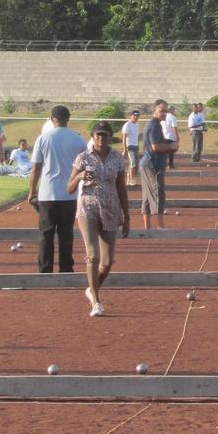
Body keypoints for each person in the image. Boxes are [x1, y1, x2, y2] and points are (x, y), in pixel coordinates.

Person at [66, 120, 130, 317]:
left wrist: (126, 215)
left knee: (107, 261)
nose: (101, 138)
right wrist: (79, 177)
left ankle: (92, 288)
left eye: (105, 135)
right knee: (92, 255)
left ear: (111, 137)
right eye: (98, 135)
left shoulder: (117, 158)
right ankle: (96, 300)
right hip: (88, 208)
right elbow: (69, 188)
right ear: (92, 137)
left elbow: (121, 187)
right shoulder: (83, 158)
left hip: (111, 208)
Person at [29, 105, 87, 274]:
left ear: (52, 119)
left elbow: (35, 168)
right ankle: (66, 269)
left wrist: (32, 190)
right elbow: (86, 165)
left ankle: (45, 270)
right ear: (68, 119)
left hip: (47, 193)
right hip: (69, 194)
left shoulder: (43, 138)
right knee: (66, 234)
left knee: (46, 235)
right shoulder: (77, 139)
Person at [139, 99, 178, 230]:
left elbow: (158, 142)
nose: (164, 113)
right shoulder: (154, 125)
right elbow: (155, 146)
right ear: (154, 111)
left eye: (166, 111)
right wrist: (171, 146)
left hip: (147, 163)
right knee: (158, 193)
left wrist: (168, 143)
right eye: (161, 110)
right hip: (153, 164)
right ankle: (160, 226)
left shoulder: (156, 125)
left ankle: (147, 227)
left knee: (147, 195)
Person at [121, 109, 141, 185]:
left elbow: (137, 136)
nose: (136, 117)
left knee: (136, 164)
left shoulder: (137, 125)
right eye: (134, 115)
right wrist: (125, 149)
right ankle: (131, 179)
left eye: (137, 116)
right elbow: (124, 137)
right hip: (130, 147)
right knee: (133, 163)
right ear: (131, 116)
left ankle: (129, 178)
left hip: (136, 146)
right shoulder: (127, 125)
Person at [162, 105, 179, 170]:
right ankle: (170, 165)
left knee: (164, 152)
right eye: (173, 109)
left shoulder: (164, 116)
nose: (174, 111)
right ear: (171, 110)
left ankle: (164, 165)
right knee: (171, 152)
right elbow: (174, 127)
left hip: (164, 136)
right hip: (170, 136)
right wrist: (177, 136)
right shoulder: (172, 117)